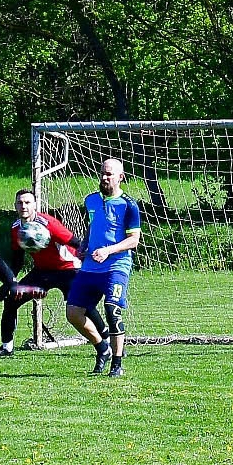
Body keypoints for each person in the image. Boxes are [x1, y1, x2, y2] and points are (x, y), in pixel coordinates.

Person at [65, 158, 143, 378]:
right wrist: (84, 245)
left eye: (109, 174)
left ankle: (117, 363)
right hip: (90, 266)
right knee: (73, 313)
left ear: (121, 177)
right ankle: (102, 347)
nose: (104, 177)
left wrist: (108, 250)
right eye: (102, 173)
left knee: (112, 309)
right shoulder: (90, 200)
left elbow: (134, 240)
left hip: (116, 265)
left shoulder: (129, 205)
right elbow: (93, 226)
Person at [0, 189, 85, 357]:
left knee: (80, 309)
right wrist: (8, 282)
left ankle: (107, 340)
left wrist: (88, 265)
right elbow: (17, 260)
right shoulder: (16, 228)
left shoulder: (48, 223)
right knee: (11, 300)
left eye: (27, 202)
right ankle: (7, 348)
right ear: (15, 206)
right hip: (42, 272)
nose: (23, 206)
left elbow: (76, 243)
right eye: (20, 203)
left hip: (68, 270)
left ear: (35, 205)